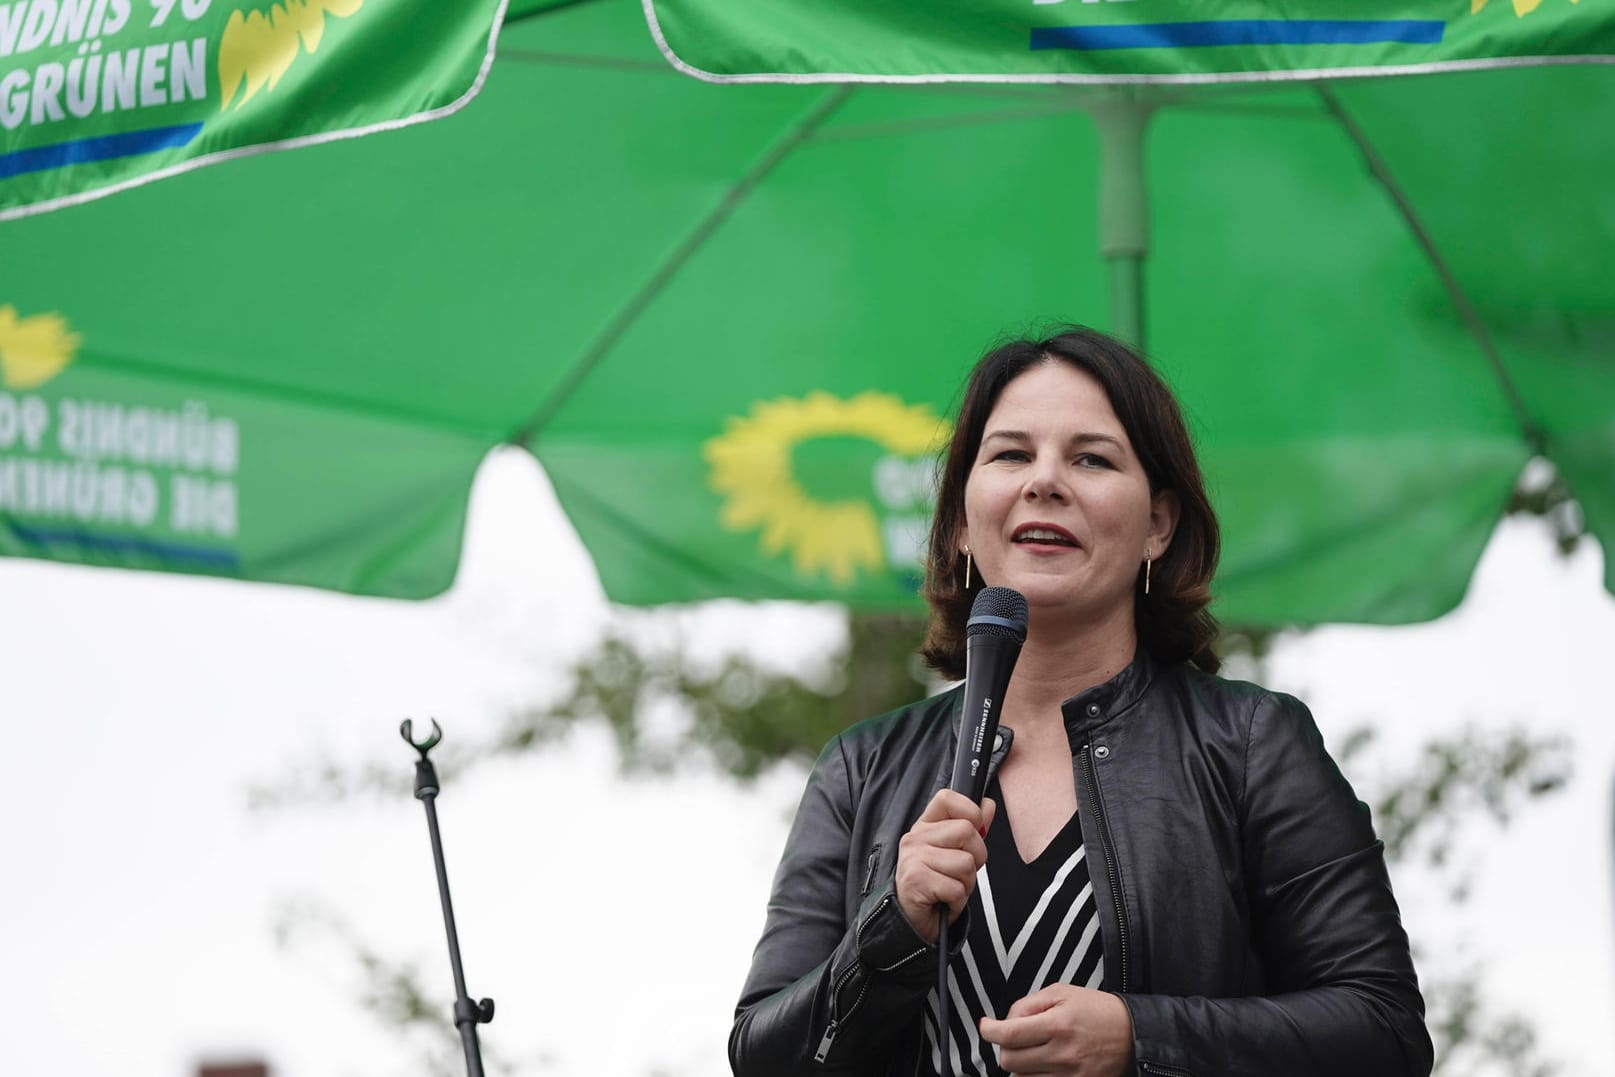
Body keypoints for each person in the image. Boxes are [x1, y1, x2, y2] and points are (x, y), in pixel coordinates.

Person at [728, 326, 1433, 1077]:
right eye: (1009, 454)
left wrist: (1142, 1038)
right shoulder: (863, 767)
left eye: (1090, 458)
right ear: (963, 521)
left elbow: (1382, 1032)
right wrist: (891, 927)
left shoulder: (1251, 743)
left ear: (1157, 525)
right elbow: (761, 1056)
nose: (1044, 480)